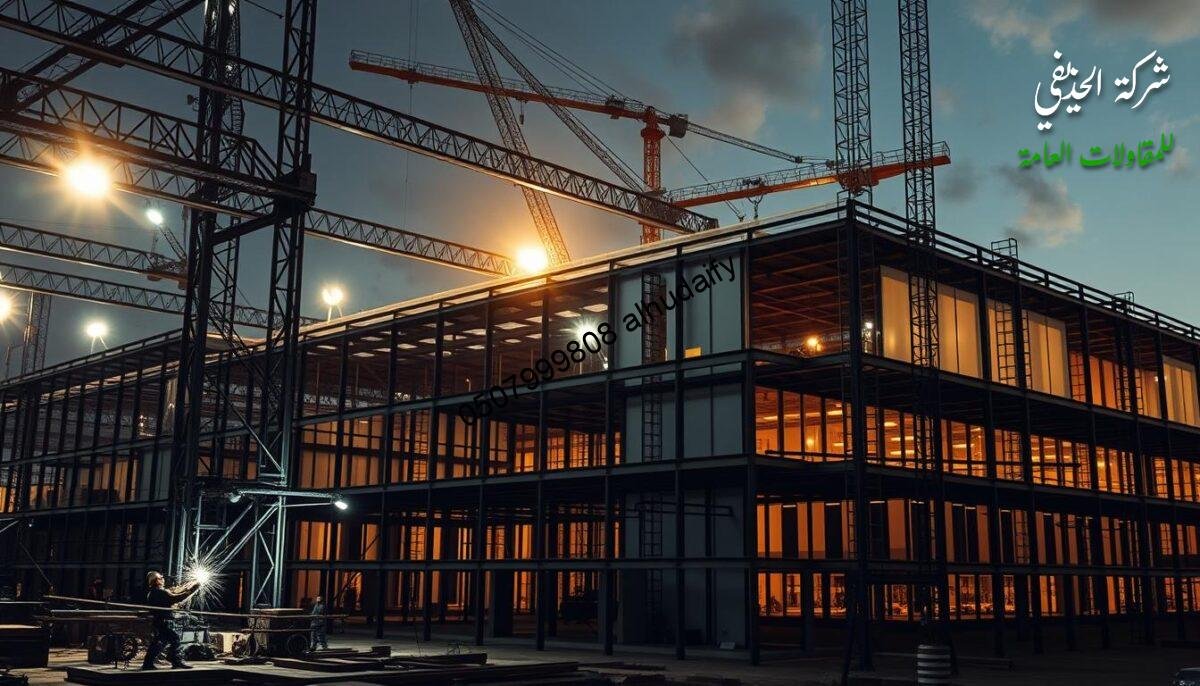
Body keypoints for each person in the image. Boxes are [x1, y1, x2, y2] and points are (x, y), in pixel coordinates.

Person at [141, 571, 199, 670]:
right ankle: (176, 660)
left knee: (159, 642)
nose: (163, 579)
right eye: (161, 578)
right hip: (164, 621)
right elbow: (176, 598)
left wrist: (186, 588)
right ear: (157, 581)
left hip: (159, 621)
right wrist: (192, 590)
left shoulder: (153, 592)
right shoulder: (160, 592)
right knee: (175, 639)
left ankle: (148, 663)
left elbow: (173, 595)